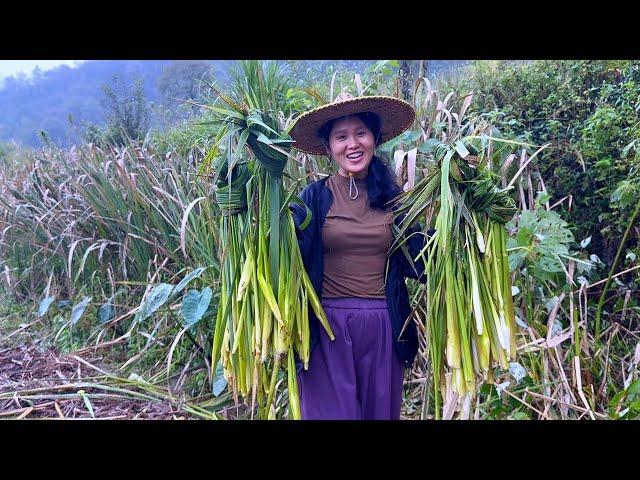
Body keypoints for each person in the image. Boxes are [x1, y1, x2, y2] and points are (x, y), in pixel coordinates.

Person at [288, 92, 429, 420]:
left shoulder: (394, 200)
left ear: (375, 139)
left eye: (361, 133)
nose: (352, 144)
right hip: (326, 328)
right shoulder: (313, 198)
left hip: (383, 326)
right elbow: (288, 253)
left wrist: (463, 220)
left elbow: (421, 260)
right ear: (328, 147)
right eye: (341, 137)